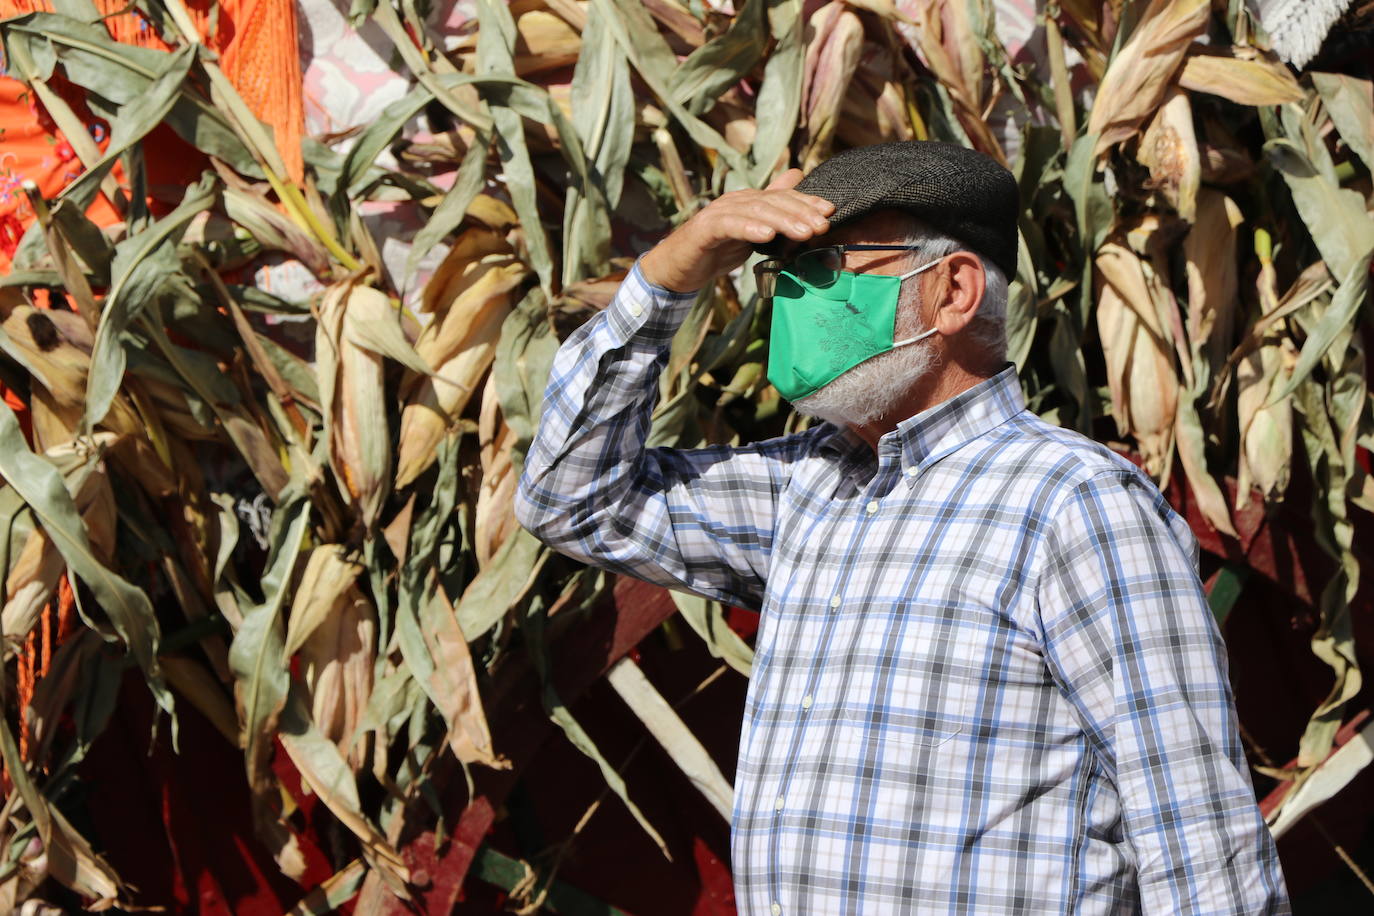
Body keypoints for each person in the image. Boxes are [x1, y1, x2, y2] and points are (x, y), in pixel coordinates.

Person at [515, 141, 1289, 915]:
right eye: (781, 277)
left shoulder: (1073, 504)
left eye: (825, 272)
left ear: (953, 290)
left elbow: (1195, 831)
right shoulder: (803, 491)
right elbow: (569, 496)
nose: (793, 302)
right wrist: (663, 279)